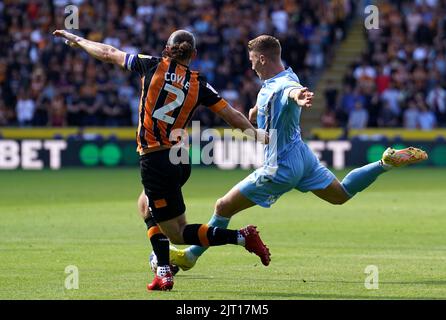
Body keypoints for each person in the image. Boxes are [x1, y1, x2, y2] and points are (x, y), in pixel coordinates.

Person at [52, 29, 300, 291]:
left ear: (166, 49)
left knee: (178, 233)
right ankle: (163, 268)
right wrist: (260, 136)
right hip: (180, 158)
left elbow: (109, 53)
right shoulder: (199, 83)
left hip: (156, 160)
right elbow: (232, 115)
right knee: (145, 205)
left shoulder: (150, 65)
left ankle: (240, 238)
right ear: (193, 55)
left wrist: (79, 41)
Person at [159, 34, 428, 272]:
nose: (251, 66)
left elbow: (290, 93)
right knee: (341, 194)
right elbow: (278, 92)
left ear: (262, 59)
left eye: (253, 60)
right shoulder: (285, 75)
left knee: (222, 206)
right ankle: (384, 163)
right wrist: (255, 112)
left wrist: (299, 97)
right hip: (303, 157)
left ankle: (191, 256)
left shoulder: (283, 86)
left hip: (280, 167)